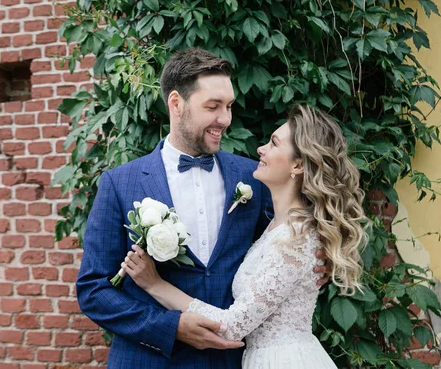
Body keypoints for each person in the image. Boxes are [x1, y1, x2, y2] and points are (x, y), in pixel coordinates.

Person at [76, 48, 329, 368]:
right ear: (176, 103)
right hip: (150, 360)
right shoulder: (120, 183)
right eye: (213, 106)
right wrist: (170, 327)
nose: (225, 119)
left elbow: (291, 243)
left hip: (230, 361)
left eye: (229, 106)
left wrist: (324, 256)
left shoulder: (252, 178)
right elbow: (93, 290)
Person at [122, 104, 369, 369]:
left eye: (274, 144)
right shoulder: (277, 225)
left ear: (298, 164)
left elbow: (230, 326)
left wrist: (154, 285)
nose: (261, 149)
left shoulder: (296, 240)